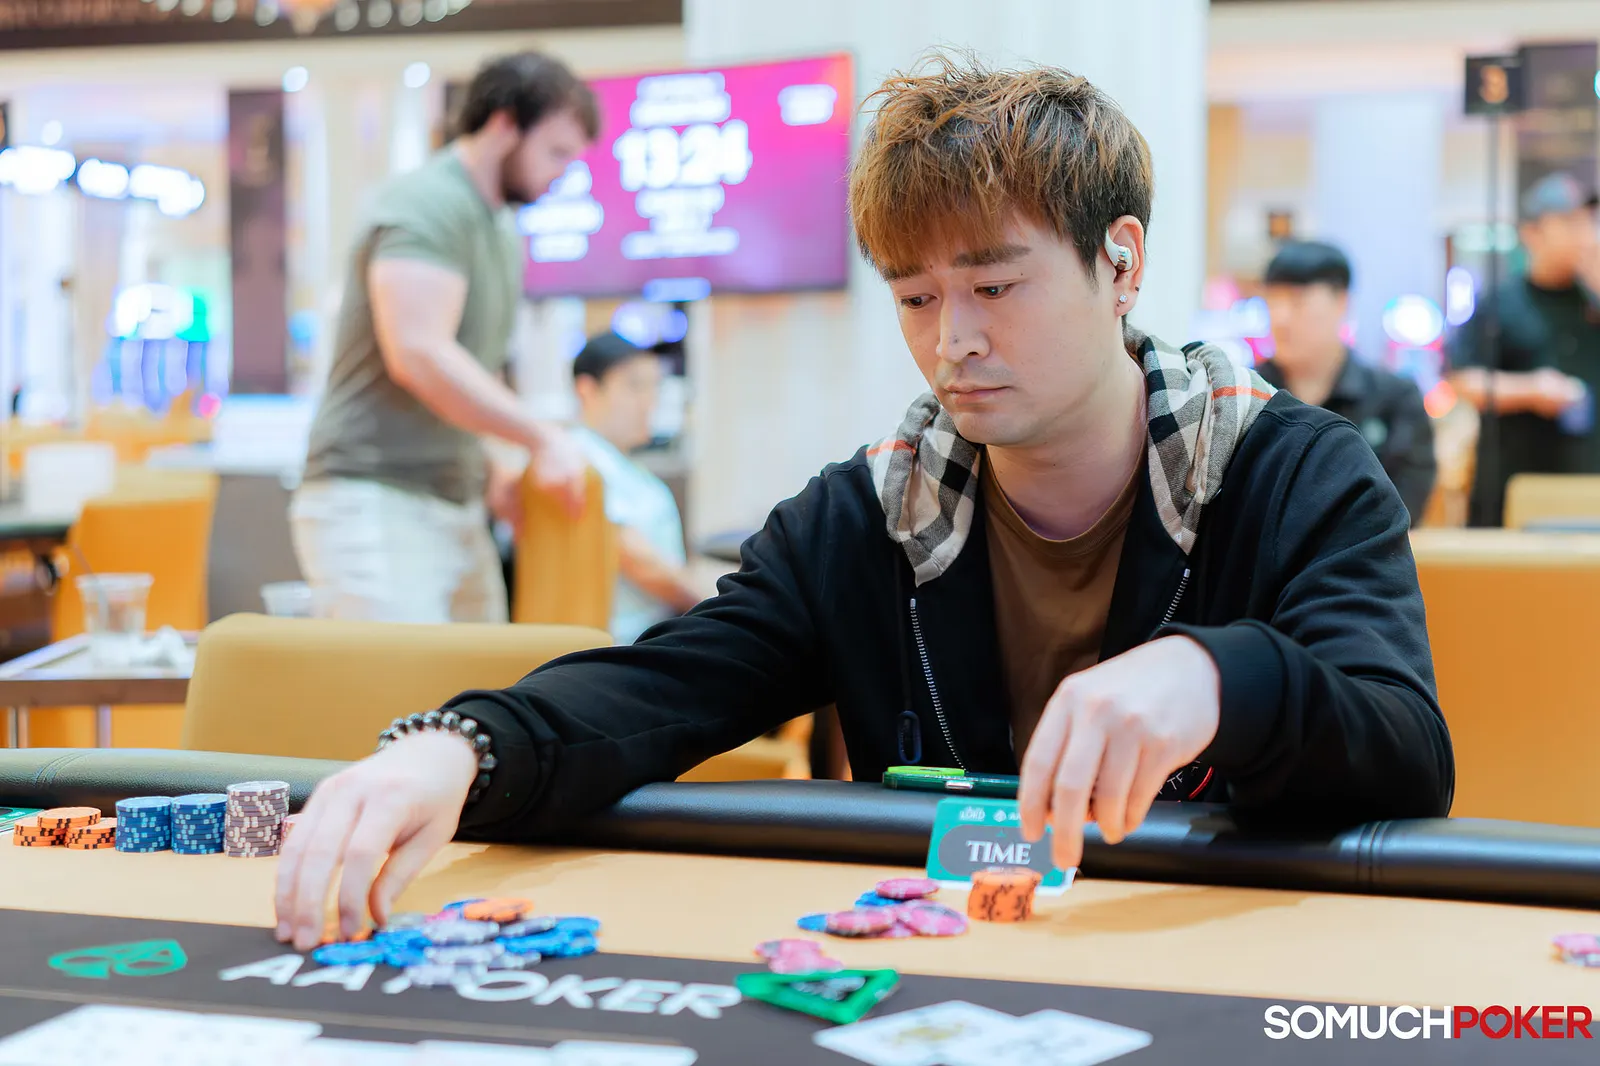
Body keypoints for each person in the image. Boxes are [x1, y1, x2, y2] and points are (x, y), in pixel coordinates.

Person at [275, 57, 1452, 950]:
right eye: (916, 298)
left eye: (995, 285)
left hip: (1221, 957)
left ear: (1120, 262)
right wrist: (459, 746)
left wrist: (1214, 676)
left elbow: (1402, 749)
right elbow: (667, 685)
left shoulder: (1292, 471)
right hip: (942, 968)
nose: (954, 342)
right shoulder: (866, 511)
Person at [291, 52, 598, 623]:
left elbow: (467, 372)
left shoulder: (499, 226)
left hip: (453, 503)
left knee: (485, 679)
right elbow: (418, 353)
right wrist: (541, 438)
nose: (563, 173)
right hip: (372, 499)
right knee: (398, 683)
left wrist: (494, 461)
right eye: (556, 152)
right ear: (504, 125)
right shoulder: (428, 202)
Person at [1449, 171, 1600, 527]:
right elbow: (1462, 380)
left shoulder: (1592, 299)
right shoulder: (1502, 302)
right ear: (1531, 233)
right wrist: (1531, 390)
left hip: (1588, 485)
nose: (1584, 233)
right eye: (1569, 222)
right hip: (1514, 483)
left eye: (1588, 222)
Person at [1257, 240, 1437, 523]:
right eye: (1272, 301)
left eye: (1297, 301)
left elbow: (1403, 508)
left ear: (1341, 302)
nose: (1280, 318)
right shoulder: (1246, 395)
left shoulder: (1395, 399)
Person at [569, 331, 704, 642]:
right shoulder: (580, 457)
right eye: (635, 386)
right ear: (588, 390)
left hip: (656, 633)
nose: (649, 401)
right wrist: (715, 601)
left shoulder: (624, 465)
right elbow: (639, 562)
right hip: (621, 644)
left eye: (654, 386)